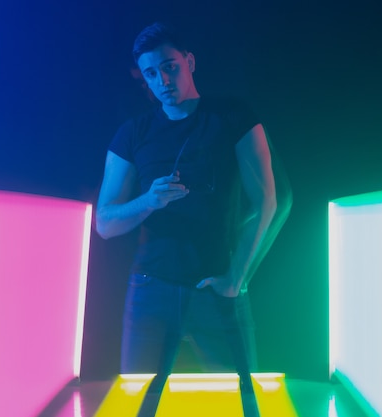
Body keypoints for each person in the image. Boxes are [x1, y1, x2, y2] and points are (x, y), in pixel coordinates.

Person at [95, 22, 287, 416]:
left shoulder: (232, 117)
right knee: (138, 407)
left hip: (214, 286)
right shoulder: (134, 133)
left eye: (170, 67)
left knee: (241, 405)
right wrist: (148, 200)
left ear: (190, 61)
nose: (162, 80)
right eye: (151, 73)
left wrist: (237, 276)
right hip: (151, 287)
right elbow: (105, 222)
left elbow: (268, 199)